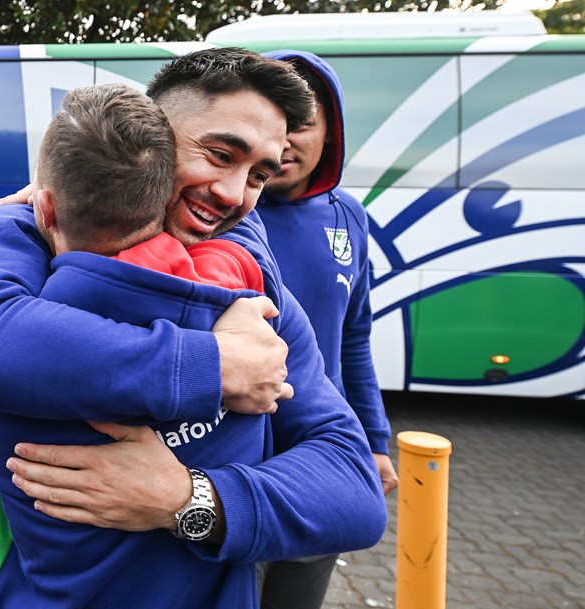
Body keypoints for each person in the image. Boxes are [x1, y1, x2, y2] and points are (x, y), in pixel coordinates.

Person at [0, 48, 387, 609]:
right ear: (154, 133)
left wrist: (186, 499)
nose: (234, 194)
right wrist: (216, 366)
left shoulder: (250, 282)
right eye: (221, 154)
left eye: (258, 176)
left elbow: (355, 491)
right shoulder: (29, 233)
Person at [253, 50, 399, 609]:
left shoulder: (349, 218)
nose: (285, 140)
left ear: (331, 130)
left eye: (303, 123)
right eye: (274, 124)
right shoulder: (217, 210)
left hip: (318, 459)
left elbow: (354, 337)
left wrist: (374, 440)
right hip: (230, 460)